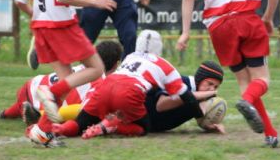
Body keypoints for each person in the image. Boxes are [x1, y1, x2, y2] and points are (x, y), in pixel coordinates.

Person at [176, 0, 280, 148]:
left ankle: (270, 134)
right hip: (248, 20)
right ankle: (246, 102)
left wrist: (185, 32)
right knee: (261, 79)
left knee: (245, 80)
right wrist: (267, 18)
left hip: (220, 26)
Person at [51, 30, 203, 142]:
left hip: (105, 86)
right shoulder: (164, 65)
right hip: (129, 91)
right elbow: (186, 96)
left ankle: (58, 129)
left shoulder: (129, 57)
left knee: (80, 123)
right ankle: (111, 126)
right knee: (144, 128)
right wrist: (201, 118)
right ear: (159, 48)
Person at [84, 60, 225, 137]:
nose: (212, 90)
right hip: (131, 109)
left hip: (144, 124)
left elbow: (198, 115)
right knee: (80, 119)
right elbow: (161, 105)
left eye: (216, 86)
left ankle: (105, 126)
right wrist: (202, 95)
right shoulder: (179, 81)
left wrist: (209, 125)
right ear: (200, 79)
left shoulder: (202, 96)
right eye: (209, 84)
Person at [0, 40, 123, 125]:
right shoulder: (101, 81)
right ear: (117, 64)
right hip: (44, 101)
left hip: (31, 86)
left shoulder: (85, 68)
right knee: (83, 110)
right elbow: (84, 111)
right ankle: (38, 115)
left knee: (24, 102)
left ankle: (6, 113)